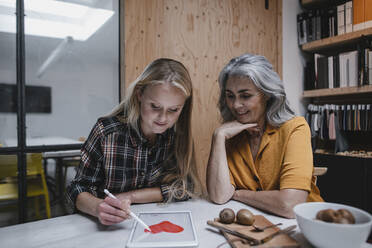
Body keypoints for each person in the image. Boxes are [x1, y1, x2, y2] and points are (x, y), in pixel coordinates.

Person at [66, 58, 201, 225]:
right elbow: (78, 188)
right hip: (108, 228)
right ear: (139, 94)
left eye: (173, 110)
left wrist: (131, 196)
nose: (163, 118)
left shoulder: (176, 136)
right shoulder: (107, 133)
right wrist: (97, 207)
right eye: (155, 106)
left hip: (153, 224)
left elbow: (186, 187)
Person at [206, 53, 323, 219]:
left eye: (245, 96)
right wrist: (218, 136)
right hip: (258, 225)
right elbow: (219, 196)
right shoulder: (229, 135)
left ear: (267, 94)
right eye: (230, 96)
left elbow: (290, 205)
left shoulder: (295, 128)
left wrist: (238, 194)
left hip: (305, 226)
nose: (236, 105)